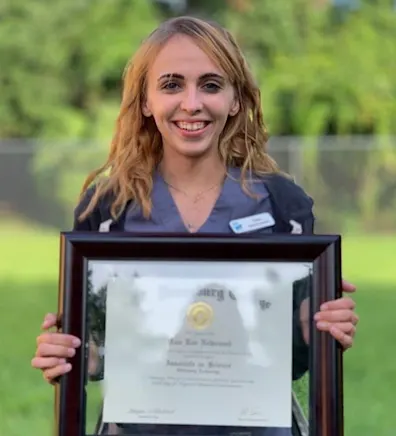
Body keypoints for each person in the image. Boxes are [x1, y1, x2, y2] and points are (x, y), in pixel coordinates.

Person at [31, 15, 358, 436]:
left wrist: (323, 330)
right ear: (145, 101)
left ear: (236, 99)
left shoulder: (282, 204)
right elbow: (99, 351)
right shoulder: (108, 206)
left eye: (210, 84)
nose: (191, 103)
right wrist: (69, 355)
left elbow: (292, 359)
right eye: (171, 85)